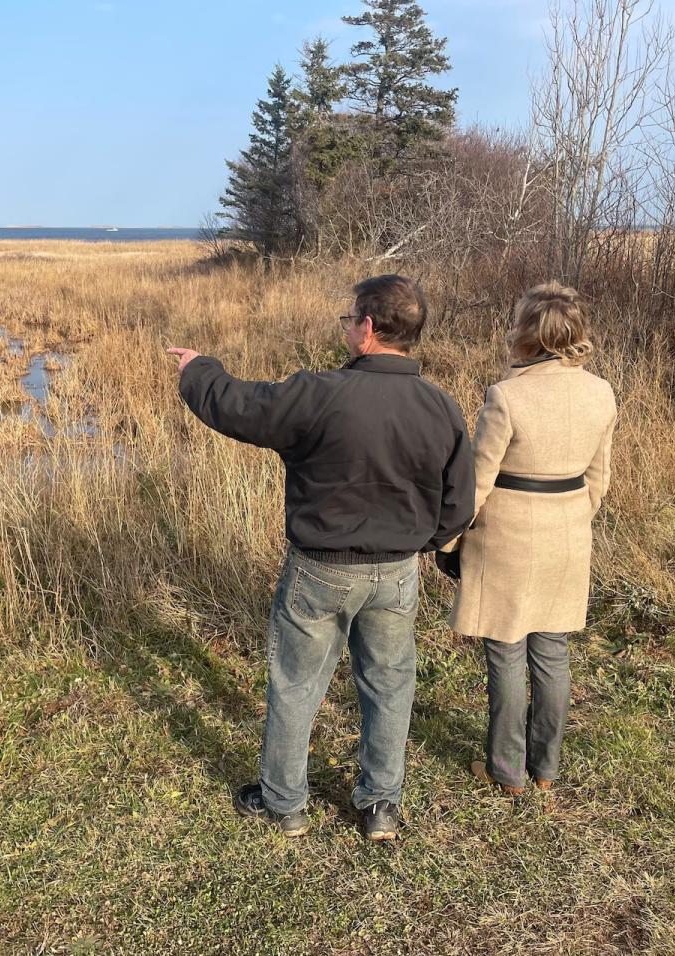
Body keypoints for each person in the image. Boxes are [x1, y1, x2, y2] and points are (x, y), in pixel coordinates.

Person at [168, 274, 475, 841]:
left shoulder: (320, 392)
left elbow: (239, 406)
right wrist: (422, 543)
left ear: (366, 327)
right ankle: (380, 805)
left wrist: (196, 369)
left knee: (295, 683)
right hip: (397, 572)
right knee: (388, 686)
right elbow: (461, 501)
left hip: (320, 569)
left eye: (349, 320)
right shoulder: (440, 406)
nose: (347, 329)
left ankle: (285, 804)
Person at [437, 281, 617, 796]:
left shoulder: (507, 395)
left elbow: (477, 481)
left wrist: (450, 542)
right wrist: (572, 519)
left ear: (528, 335)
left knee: (507, 651)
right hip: (568, 530)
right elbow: (598, 477)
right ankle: (546, 769)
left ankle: (506, 770)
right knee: (552, 651)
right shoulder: (601, 391)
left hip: (508, 537)